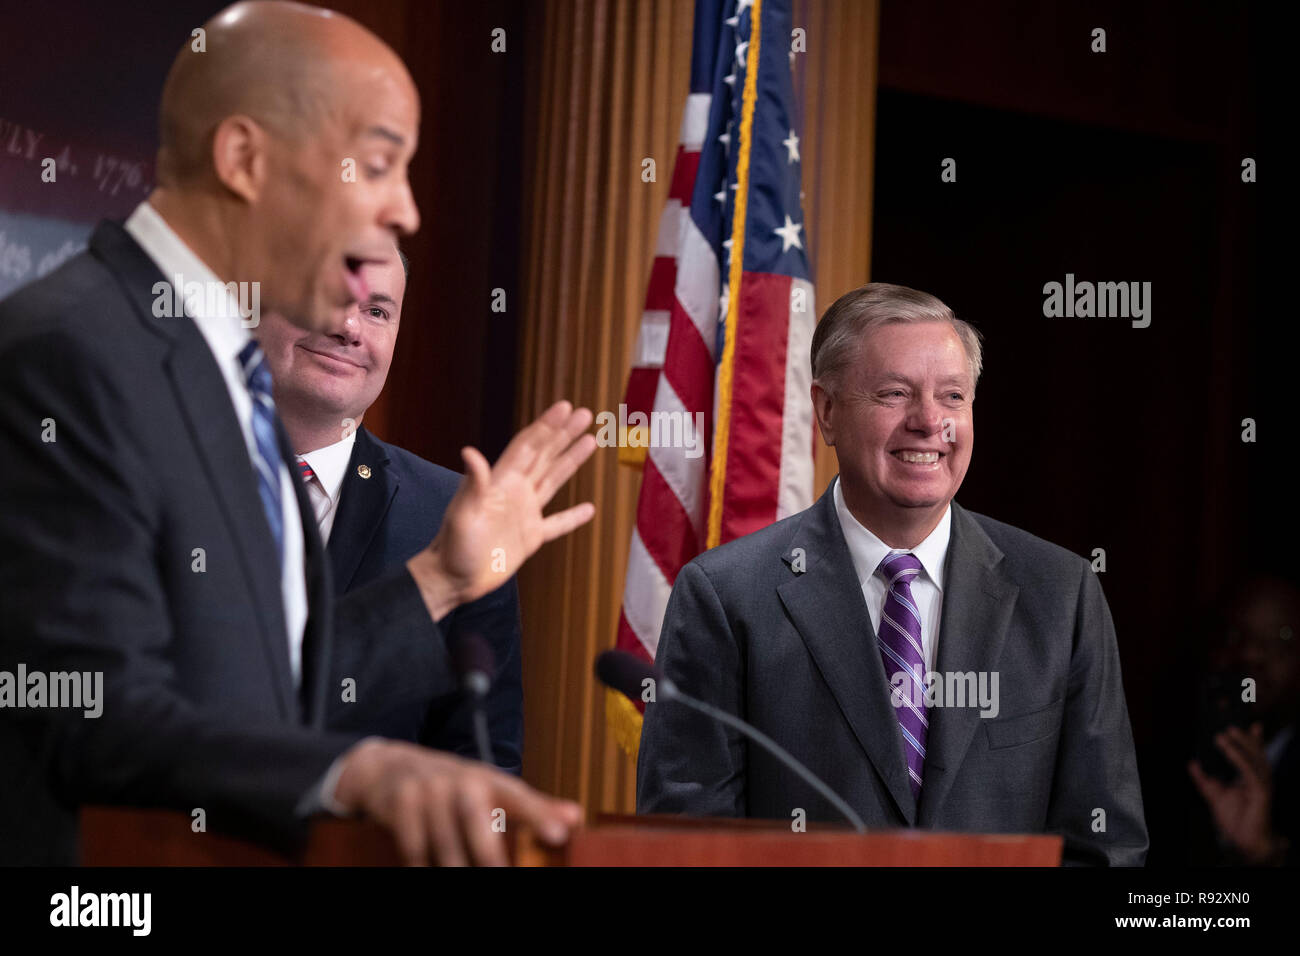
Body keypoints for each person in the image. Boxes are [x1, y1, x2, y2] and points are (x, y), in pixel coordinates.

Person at [0, 0, 592, 866]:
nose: (407, 212)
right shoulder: (70, 356)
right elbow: (93, 707)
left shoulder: (224, 384)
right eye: (381, 164)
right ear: (244, 157)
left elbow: (256, 691)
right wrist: (361, 772)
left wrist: (438, 580)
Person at [637, 282, 1149, 866]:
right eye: (894, 393)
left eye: (952, 396)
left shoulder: (1063, 594)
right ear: (827, 411)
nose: (929, 422)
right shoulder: (726, 597)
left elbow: (1105, 848)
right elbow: (685, 845)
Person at [254, 244, 524, 769]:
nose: (350, 328)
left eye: (377, 311)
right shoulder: (161, 471)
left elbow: (484, 762)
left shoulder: (454, 515)